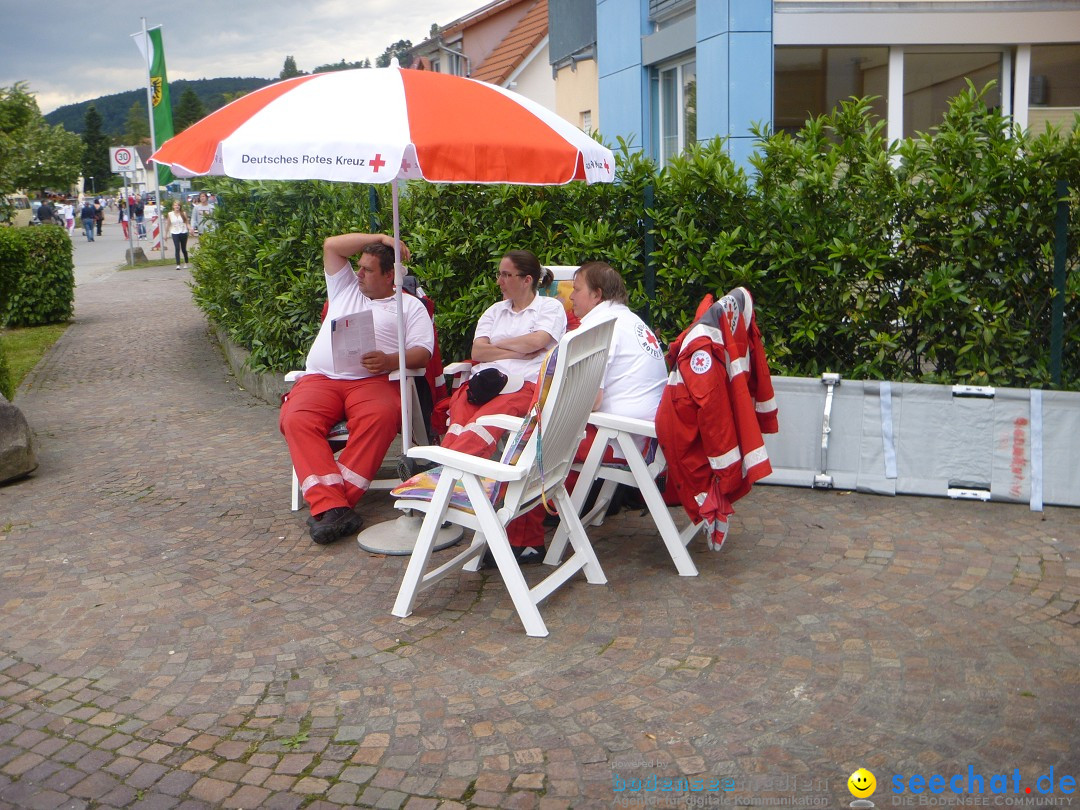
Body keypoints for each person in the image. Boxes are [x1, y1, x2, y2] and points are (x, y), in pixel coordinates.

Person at [280, 232, 435, 544]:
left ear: (390, 275)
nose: (359, 273)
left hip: (372, 381)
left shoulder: (410, 306)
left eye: (367, 270)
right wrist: (380, 237)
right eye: (359, 267)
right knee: (295, 418)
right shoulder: (346, 288)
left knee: (381, 418)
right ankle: (335, 507)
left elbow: (423, 353)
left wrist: (390, 360)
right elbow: (331, 245)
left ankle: (329, 507)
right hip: (321, 378)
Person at [439, 249, 566, 565]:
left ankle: (443, 479)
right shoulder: (495, 311)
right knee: (462, 418)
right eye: (499, 274)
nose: (499, 281)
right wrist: (517, 347)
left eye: (506, 275)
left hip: (524, 387)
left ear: (527, 280)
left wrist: (505, 347)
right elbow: (477, 350)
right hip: (486, 383)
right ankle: (446, 478)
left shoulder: (550, 308)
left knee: (487, 422)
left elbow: (537, 342)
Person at [165, 201, 190, 268]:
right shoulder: (170, 214)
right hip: (174, 232)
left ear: (180, 206)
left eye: (178, 205)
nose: (177, 206)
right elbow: (168, 224)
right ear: (173, 206)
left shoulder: (183, 213)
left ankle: (186, 262)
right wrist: (166, 234)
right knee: (177, 248)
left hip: (183, 232)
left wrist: (190, 229)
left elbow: (187, 223)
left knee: (183, 249)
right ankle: (178, 264)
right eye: (175, 205)